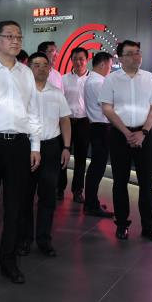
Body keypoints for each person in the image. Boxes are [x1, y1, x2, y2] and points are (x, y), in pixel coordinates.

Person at [0, 20, 41, 285]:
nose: (15, 41)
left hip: (19, 145)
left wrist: (35, 146)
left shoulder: (26, 73)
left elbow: (33, 111)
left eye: (19, 37)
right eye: (9, 36)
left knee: (16, 206)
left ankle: (9, 260)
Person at [99, 40, 152, 243]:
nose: (137, 57)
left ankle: (150, 227)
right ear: (120, 58)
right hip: (120, 136)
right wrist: (126, 132)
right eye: (131, 53)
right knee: (120, 182)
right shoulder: (111, 79)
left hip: (144, 135)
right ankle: (122, 224)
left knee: (147, 183)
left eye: (138, 52)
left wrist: (143, 132)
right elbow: (107, 108)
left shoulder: (149, 78)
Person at [17, 52, 71, 257]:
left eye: (44, 65)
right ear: (28, 68)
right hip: (26, 147)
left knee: (48, 196)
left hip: (51, 147)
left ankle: (44, 239)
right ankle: (24, 239)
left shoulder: (57, 93)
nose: (41, 68)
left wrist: (66, 147)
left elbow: (65, 120)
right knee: (25, 195)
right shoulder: (21, 92)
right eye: (36, 65)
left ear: (50, 69)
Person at [82, 51, 114, 217]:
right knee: (97, 167)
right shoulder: (98, 82)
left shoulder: (92, 80)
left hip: (97, 127)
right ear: (102, 64)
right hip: (101, 127)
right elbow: (108, 107)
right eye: (110, 65)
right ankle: (91, 204)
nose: (111, 68)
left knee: (96, 166)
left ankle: (91, 202)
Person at [61, 47, 90, 203]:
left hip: (84, 123)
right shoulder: (64, 79)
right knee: (62, 156)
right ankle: (59, 188)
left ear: (87, 60)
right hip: (66, 122)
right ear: (71, 60)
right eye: (75, 59)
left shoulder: (93, 80)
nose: (78, 62)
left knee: (81, 158)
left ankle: (77, 191)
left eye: (81, 59)